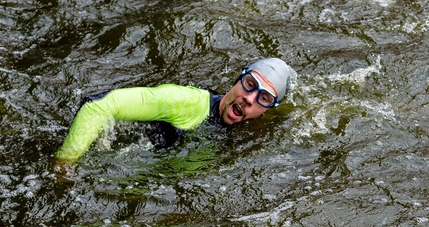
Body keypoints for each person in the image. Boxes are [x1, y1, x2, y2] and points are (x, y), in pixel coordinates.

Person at [55, 57, 295, 164]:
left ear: (268, 109)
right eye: (250, 85)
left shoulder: (255, 131)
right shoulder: (184, 102)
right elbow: (98, 105)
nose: (249, 99)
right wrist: (66, 163)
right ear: (237, 80)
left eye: (263, 97)